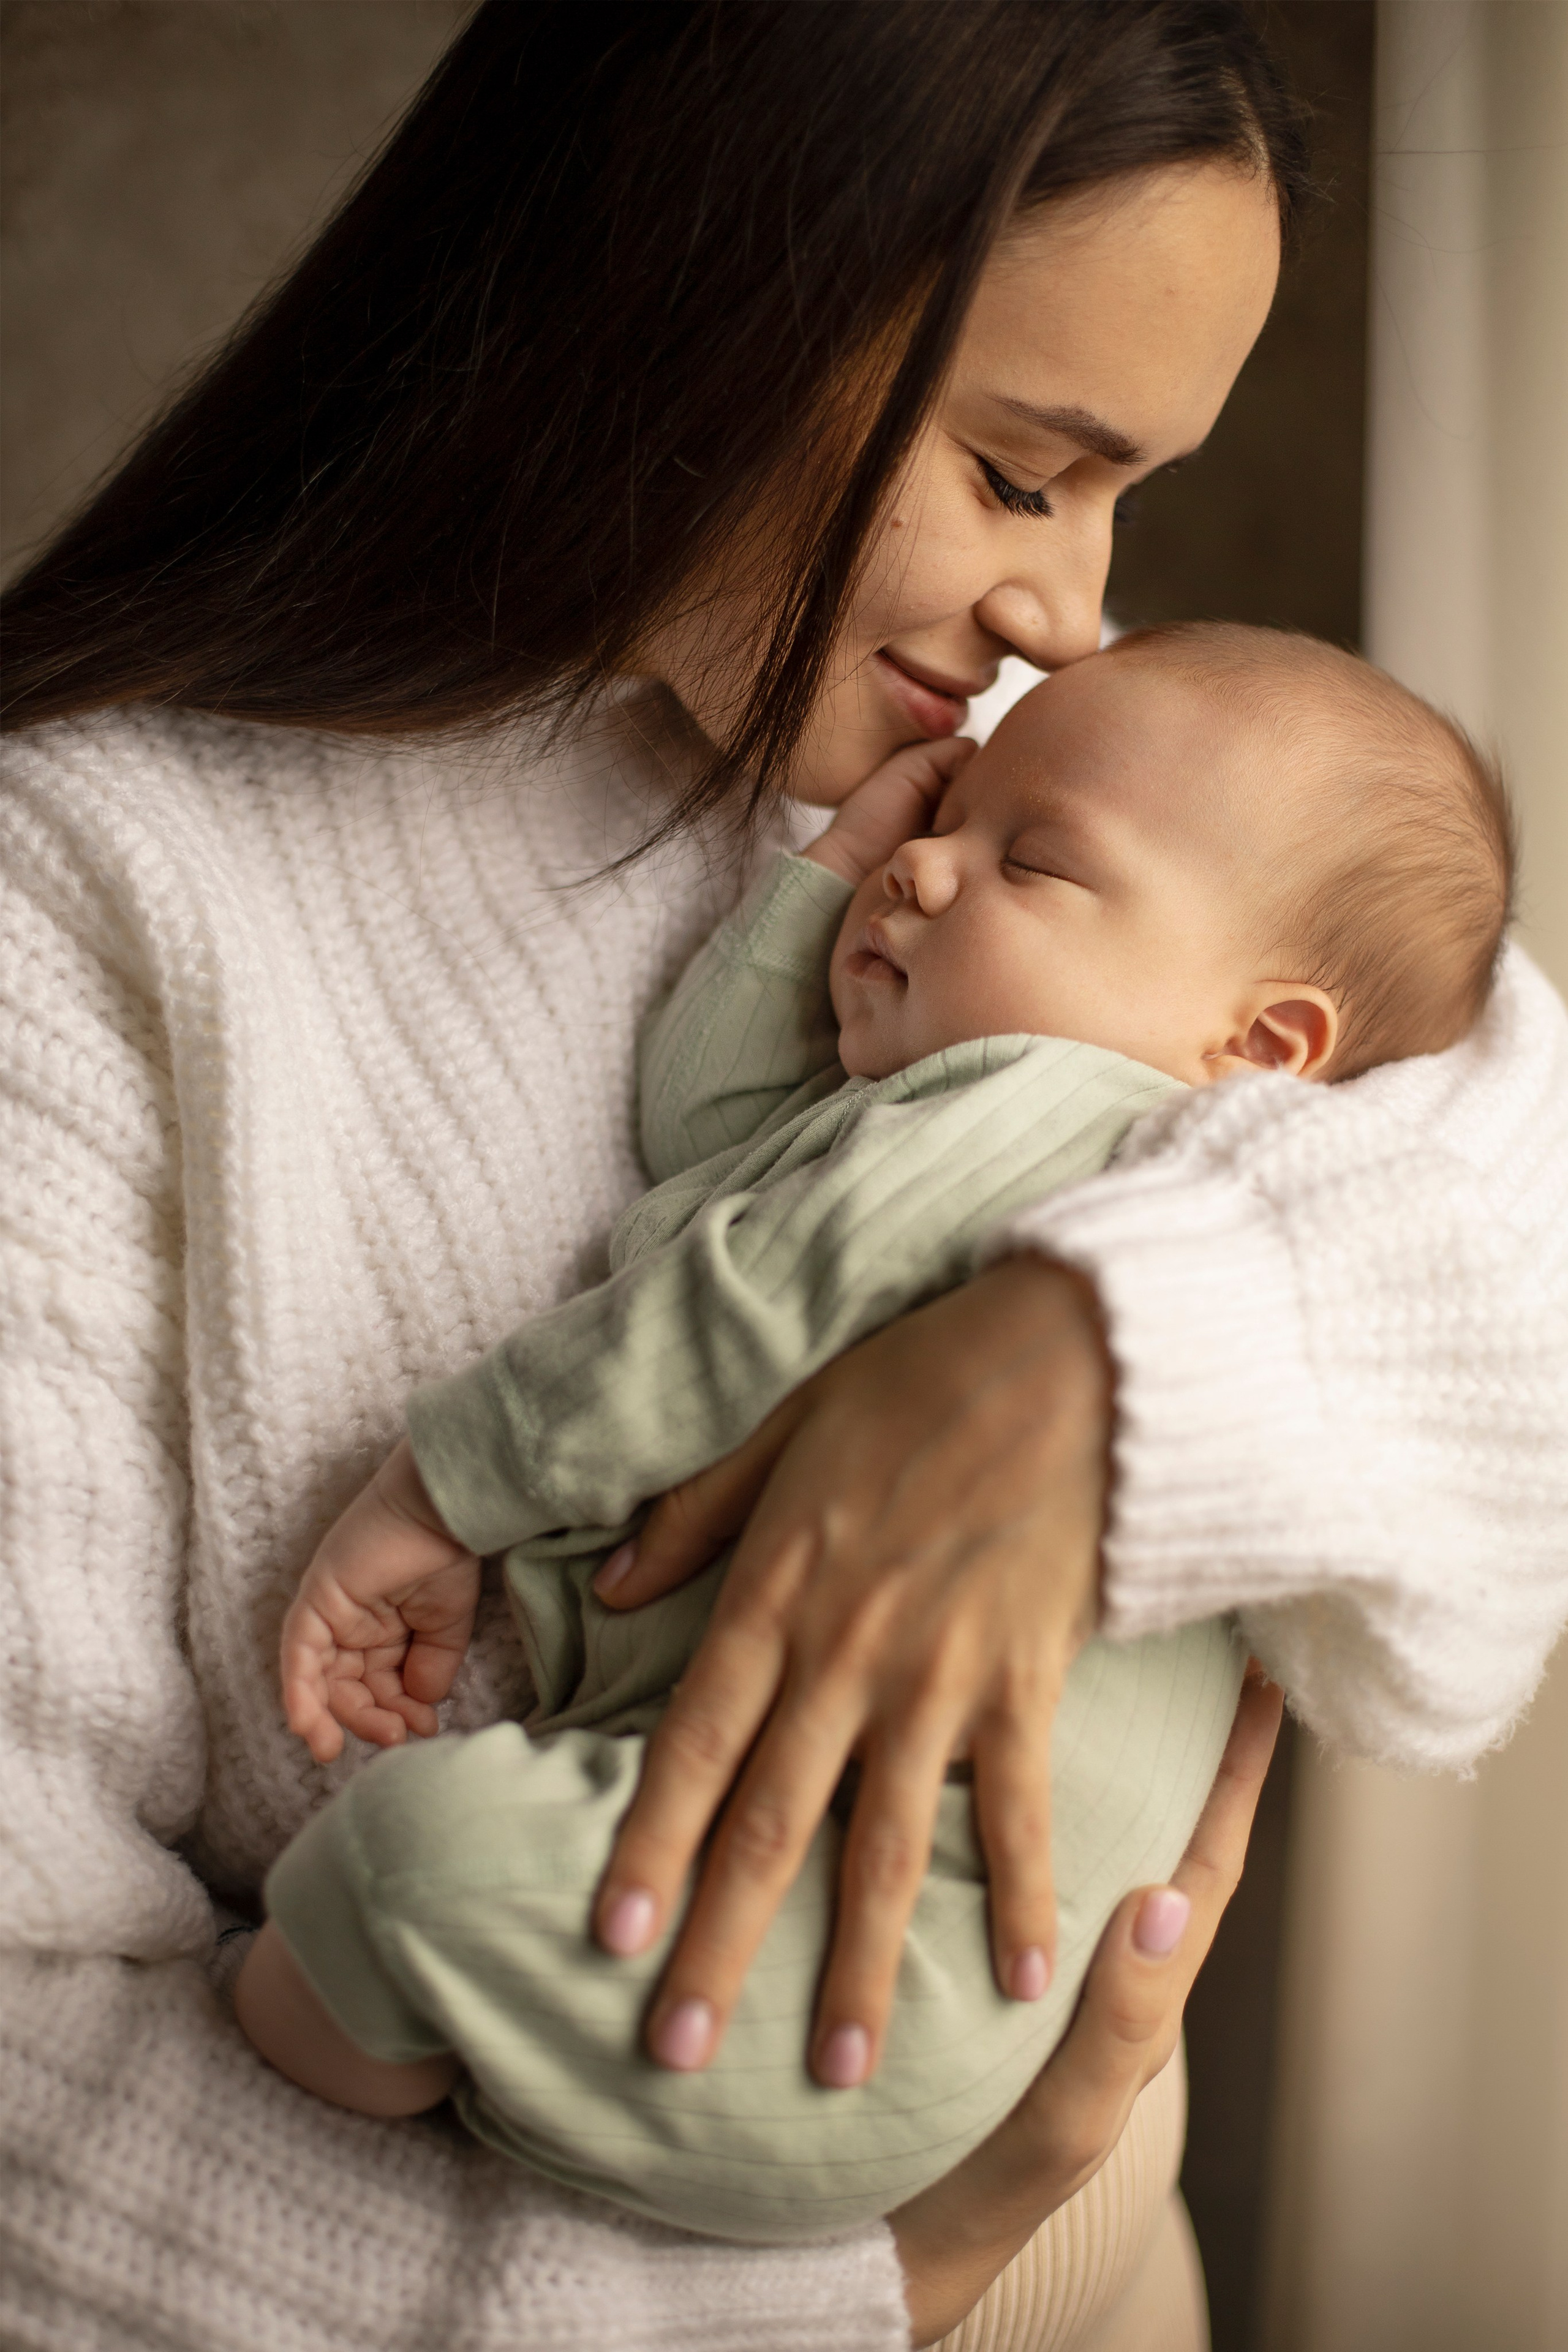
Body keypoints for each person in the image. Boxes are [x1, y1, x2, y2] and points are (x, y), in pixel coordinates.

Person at [2, 7, 1564, 2348]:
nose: (1072, 612)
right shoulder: (84, 913)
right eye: (1020, 472)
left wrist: (1090, 1363)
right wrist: (886, 2285)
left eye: (1121, 494)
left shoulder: (986, 759)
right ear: (687, 298)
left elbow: (1492, 1109)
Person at [232, 624, 1513, 2245]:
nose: (925, 867)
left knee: (394, 1873)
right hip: (872, 1988)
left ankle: (339, 2105)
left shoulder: (1072, 1117)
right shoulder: (967, 1119)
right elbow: (704, 1132)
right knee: (442, 1893)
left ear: (1256, 1051)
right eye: (944, 821)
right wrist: (840, 872)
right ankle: (480, 2111)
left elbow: (731, 1296)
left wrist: (438, 1490)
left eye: (1030, 863)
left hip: (850, 1936)